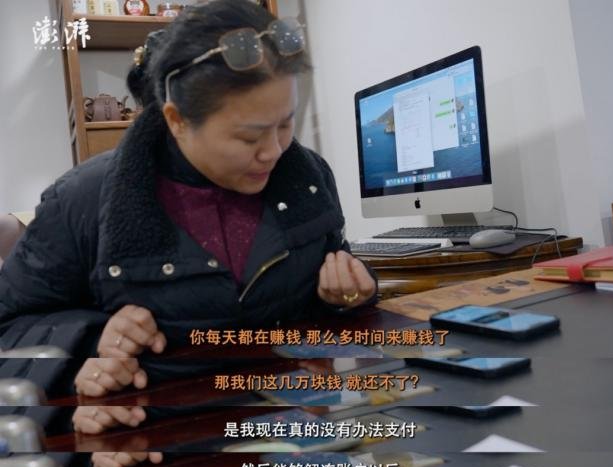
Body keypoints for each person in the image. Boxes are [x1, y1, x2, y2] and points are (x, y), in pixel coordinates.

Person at [0, 0, 377, 400]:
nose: (274, 151)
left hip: (293, 415)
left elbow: (326, 282)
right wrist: (93, 340)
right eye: (249, 137)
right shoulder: (82, 200)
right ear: (177, 120)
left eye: (285, 124)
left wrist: (349, 294)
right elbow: (10, 329)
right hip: (164, 426)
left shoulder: (309, 178)